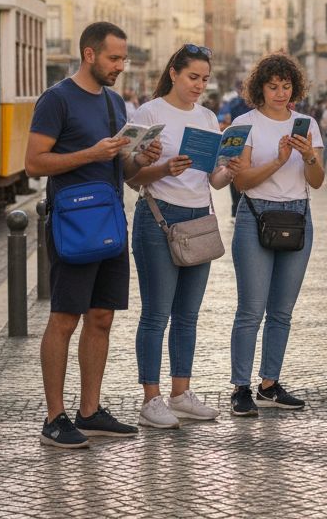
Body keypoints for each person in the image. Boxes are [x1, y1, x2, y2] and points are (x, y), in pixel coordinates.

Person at [25, 22, 162, 449]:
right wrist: (90, 153)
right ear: (90, 54)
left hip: (109, 222)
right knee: (64, 319)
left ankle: (90, 411)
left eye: (123, 59)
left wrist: (140, 157)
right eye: (114, 58)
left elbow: (122, 170)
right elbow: (33, 163)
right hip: (73, 223)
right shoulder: (56, 99)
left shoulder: (114, 102)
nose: (121, 66)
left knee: (101, 317)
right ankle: (54, 418)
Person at [126, 44, 240, 429]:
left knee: (187, 316)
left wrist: (230, 170)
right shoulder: (150, 113)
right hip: (158, 217)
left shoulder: (208, 118)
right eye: (193, 77)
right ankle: (150, 399)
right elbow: (130, 177)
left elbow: (214, 180)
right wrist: (163, 170)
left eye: (205, 79)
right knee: (157, 313)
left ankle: (181, 393)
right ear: (173, 72)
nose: (200, 85)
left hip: (197, 220)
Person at [228, 53, 324, 417]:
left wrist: (308, 157)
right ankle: (241, 387)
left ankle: (270, 383)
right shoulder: (244, 124)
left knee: (282, 311)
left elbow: (316, 180)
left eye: (286, 86)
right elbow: (241, 180)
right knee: (251, 310)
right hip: (256, 215)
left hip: (298, 216)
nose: (280, 93)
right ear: (260, 88)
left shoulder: (306, 123)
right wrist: (280, 160)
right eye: (273, 86)